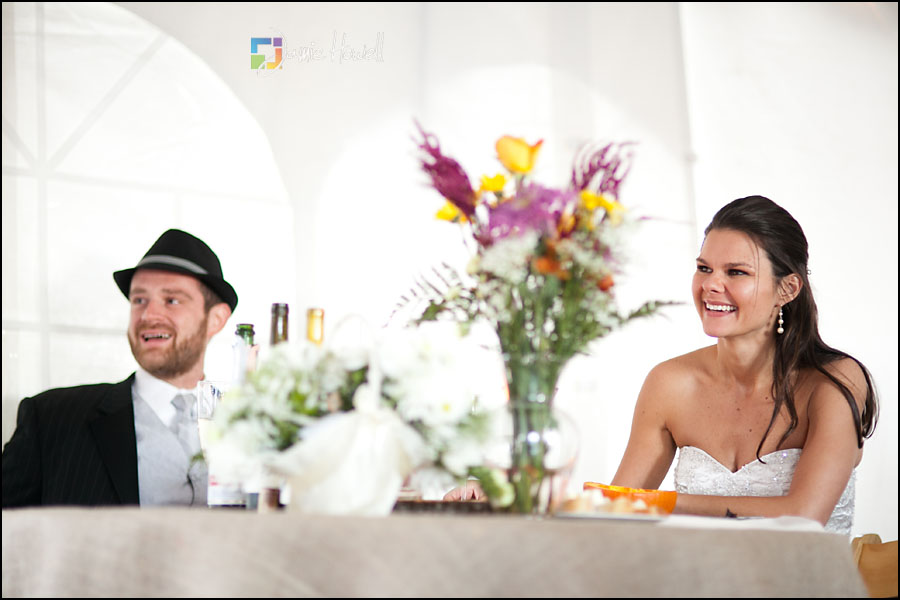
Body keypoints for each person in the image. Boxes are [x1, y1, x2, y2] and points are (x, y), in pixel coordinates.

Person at [611, 195, 877, 534]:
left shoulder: (834, 381)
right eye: (704, 268)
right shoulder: (669, 383)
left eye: (736, 272)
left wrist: (660, 504)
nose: (710, 285)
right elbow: (615, 512)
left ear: (788, 288)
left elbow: (804, 515)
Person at [2, 229, 237, 508]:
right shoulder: (51, 418)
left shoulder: (255, 424)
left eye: (171, 300)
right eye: (139, 300)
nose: (149, 315)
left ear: (216, 319)